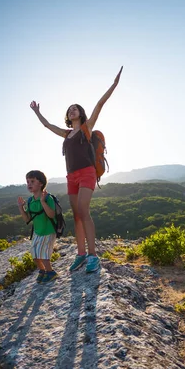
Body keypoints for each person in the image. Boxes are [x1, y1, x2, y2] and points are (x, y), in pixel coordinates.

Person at [30, 66, 123, 273]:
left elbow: (100, 104)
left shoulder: (86, 128)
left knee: (84, 211)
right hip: (71, 177)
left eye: (75, 108)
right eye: (69, 109)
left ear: (80, 113)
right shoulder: (66, 134)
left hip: (87, 173)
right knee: (76, 215)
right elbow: (47, 125)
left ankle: (93, 256)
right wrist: (37, 112)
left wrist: (114, 85)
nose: (72, 110)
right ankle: (80, 254)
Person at [17, 170, 58, 284]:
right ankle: (42, 271)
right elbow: (27, 219)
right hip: (38, 231)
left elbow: (51, 214)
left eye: (32, 181)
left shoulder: (48, 198)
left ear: (41, 183)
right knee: (35, 254)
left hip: (48, 231)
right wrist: (21, 207)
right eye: (28, 182)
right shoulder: (30, 200)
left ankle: (51, 272)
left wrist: (43, 202)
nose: (29, 184)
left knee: (44, 254)